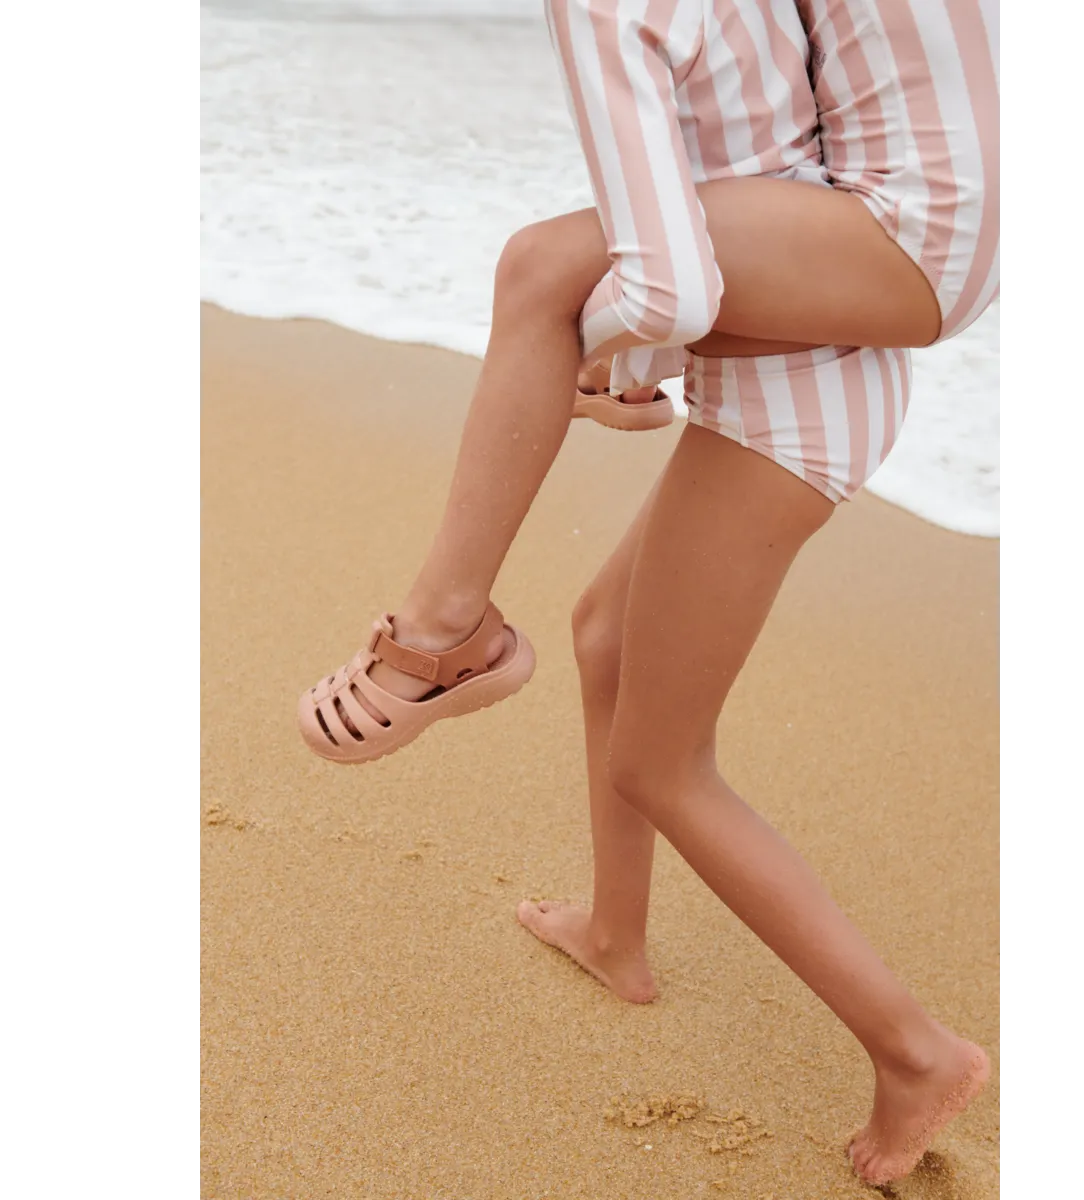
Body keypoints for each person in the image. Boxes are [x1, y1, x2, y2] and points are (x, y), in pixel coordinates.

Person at [298, 0, 998, 1184]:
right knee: (603, 636)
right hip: (857, 309)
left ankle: (915, 1051)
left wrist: (599, 347)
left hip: (835, 349)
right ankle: (615, 932)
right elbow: (759, 148)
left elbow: (670, 283)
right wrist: (638, 350)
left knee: (661, 764)